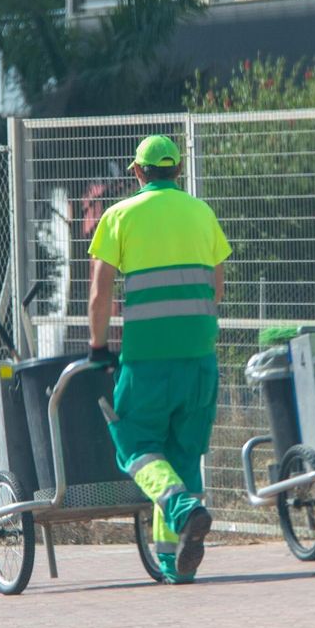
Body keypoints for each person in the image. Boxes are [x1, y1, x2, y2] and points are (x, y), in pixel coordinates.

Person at [87, 135, 231, 583]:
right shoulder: (202, 212)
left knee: (134, 445)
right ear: (178, 170)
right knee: (183, 455)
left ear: (137, 172)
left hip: (147, 358)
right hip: (200, 356)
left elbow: (99, 293)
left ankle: (185, 509)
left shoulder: (119, 215)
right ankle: (174, 563)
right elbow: (217, 287)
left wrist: (97, 348)